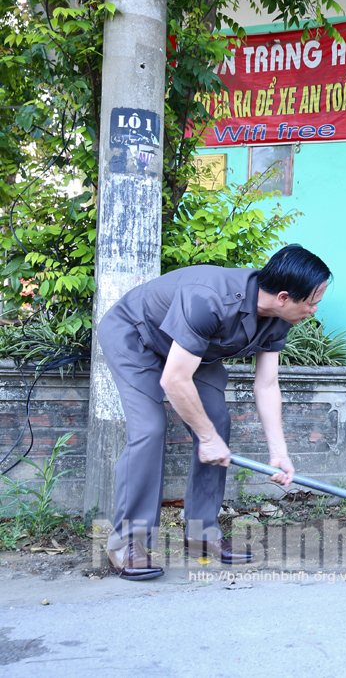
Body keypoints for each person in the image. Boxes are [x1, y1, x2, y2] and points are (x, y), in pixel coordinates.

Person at [98, 244, 331, 580]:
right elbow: (175, 379)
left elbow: (266, 385)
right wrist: (205, 438)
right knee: (149, 428)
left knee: (217, 422)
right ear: (283, 297)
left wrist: (279, 453)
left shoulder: (278, 319)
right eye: (312, 302)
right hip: (137, 335)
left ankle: (200, 532)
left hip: (192, 352)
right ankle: (126, 543)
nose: (314, 310)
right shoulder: (210, 299)